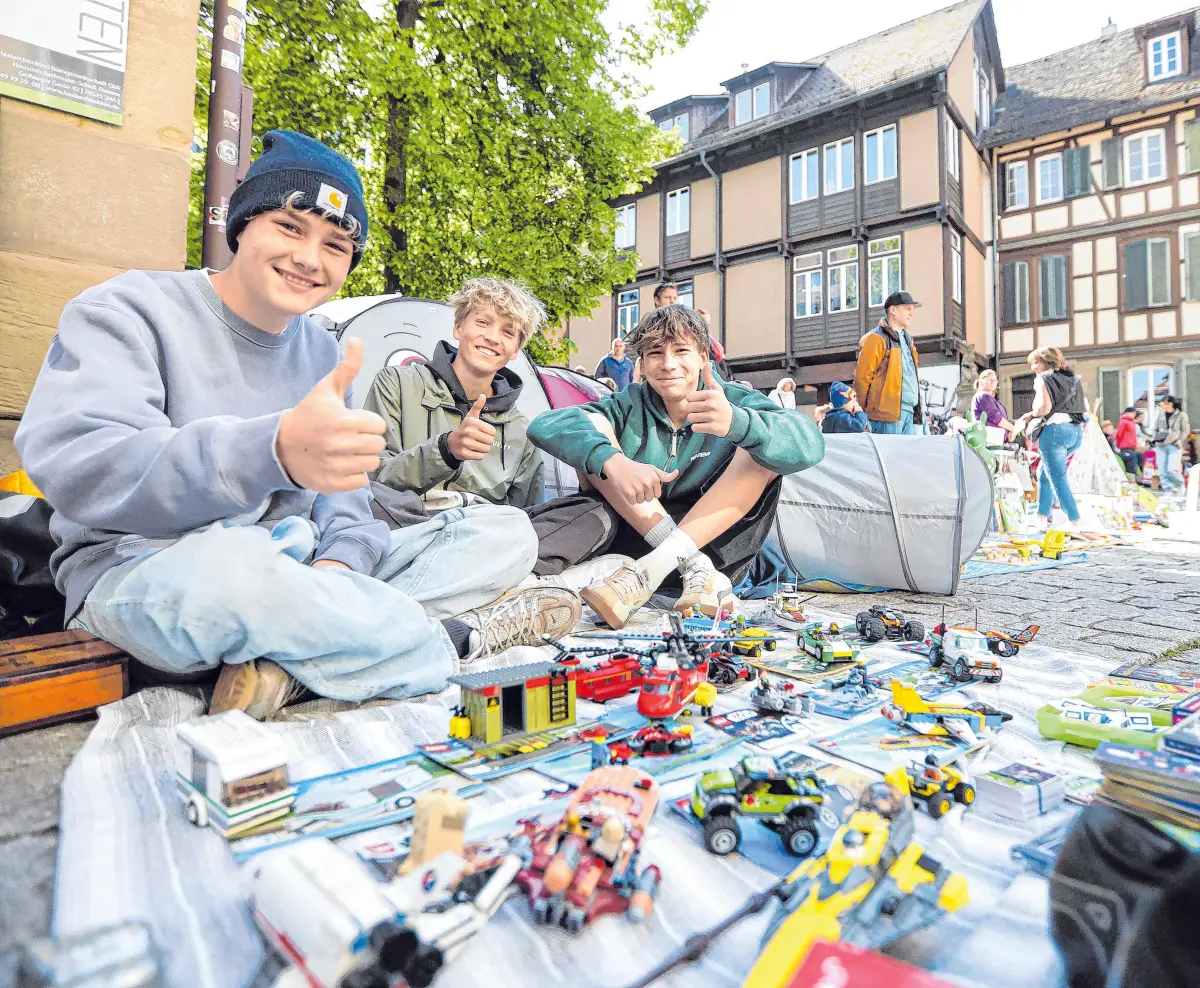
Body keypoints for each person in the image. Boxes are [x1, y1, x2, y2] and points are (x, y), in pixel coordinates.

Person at [14, 130, 573, 721]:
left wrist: (336, 568)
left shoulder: (323, 353)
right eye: (289, 226)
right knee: (237, 575)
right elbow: (81, 467)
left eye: (336, 244)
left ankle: (296, 658)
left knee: (504, 533)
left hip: (297, 569)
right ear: (241, 225)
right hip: (149, 568)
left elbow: (350, 506)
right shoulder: (128, 310)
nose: (310, 259)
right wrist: (271, 449)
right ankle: (451, 641)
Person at [525, 305, 825, 628]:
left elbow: (810, 442)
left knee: (762, 452)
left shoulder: (731, 399)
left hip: (718, 547)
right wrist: (615, 462)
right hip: (638, 536)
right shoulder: (629, 403)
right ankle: (686, 566)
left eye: (681, 351)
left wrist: (738, 423)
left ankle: (661, 566)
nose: (668, 364)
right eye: (655, 353)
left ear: (703, 359)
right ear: (641, 364)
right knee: (596, 433)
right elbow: (546, 425)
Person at [364, 277, 550, 512]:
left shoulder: (522, 432)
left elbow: (528, 517)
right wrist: (445, 450)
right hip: (405, 524)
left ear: (516, 350)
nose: (493, 338)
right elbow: (371, 478)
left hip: (484, 537)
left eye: (508, 332)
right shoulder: (396, 383)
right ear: (459, 327)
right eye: (483, 322)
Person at [1015, 346, 1087, 531]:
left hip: (1054, 432)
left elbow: (1043, 409)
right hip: (1075, 431)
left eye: (1034, 363)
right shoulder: (1074, 378)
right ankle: (1041, 516)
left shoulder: (1043, 379)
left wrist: (1030, 415)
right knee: (1044, 473)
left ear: (1044, 362)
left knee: (1057, 478)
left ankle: (1074, 520)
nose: (1033, 368)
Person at [852, 290, 923, 435]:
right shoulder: (877, 338)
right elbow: (862, 378)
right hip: (885, 415)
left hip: (909, 411)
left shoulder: (908, 340)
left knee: (906, 457)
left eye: (913, 310)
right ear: (893, 310)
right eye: (908, 309)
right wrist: (868, 411)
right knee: (892, 456)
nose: (912, 313)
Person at [1157, 395, 1191, 493]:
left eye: (1163, 402)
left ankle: (1181, 485)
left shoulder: (1181, 415)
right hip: (1161, 445)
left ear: (1170, 403)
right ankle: (1168, 490)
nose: (1161, 404)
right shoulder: (1161, 414)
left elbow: (1186, 430)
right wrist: (1154, 438)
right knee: (1162, 470)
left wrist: (1179, 441)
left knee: (1172, 469)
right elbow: (1156, 427)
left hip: (1174, 445)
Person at [971, 369, 1018, 435]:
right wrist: (1014, 429)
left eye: (995, 380)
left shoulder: (988, 397)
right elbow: (996, 418)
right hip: (990, 439)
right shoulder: (983, 396)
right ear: (982, 381)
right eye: (990, 380)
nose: (993, 382)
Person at [1114, 407, 1142, 481]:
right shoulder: (1124, 422)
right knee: (1131, 467)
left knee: (1133, 466)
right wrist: (1119, 445)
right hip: (1126, 447)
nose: (1134, 414)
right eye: (1133, 413)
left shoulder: (1131, 422)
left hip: (1131, 447)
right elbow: (1119, 434)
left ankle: (1134, 482)